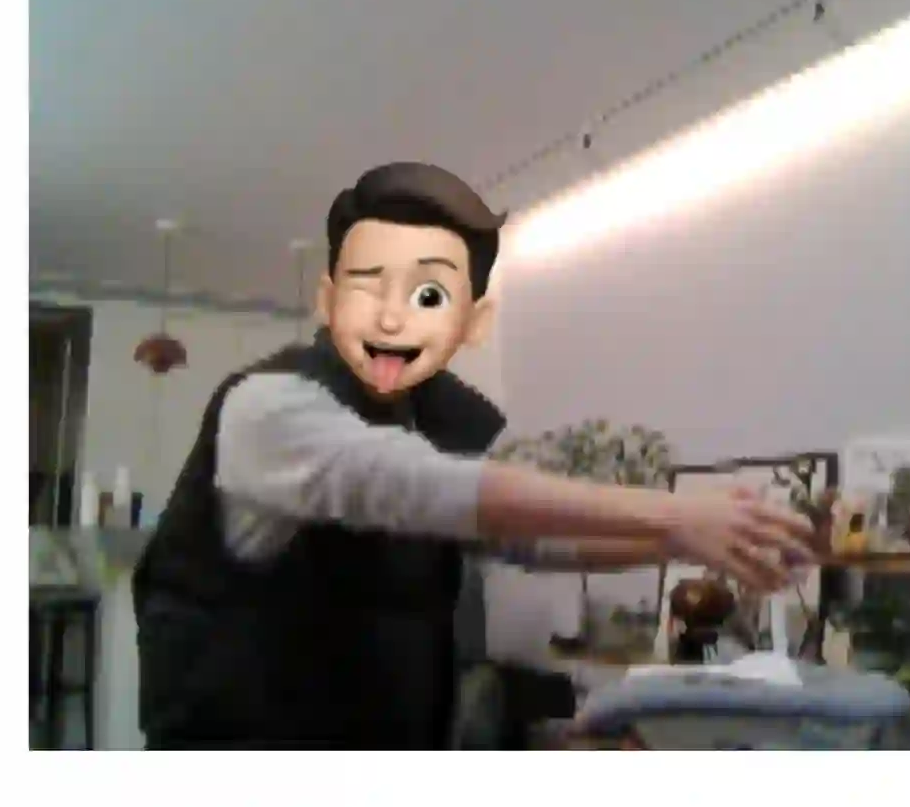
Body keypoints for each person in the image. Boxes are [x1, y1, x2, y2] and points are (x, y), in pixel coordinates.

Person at [133, 162, 823, 749]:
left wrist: (691, 536)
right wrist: (674, 514)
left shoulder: (441, 416)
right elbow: (421, 486)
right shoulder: (268, 408)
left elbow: (526, 536)